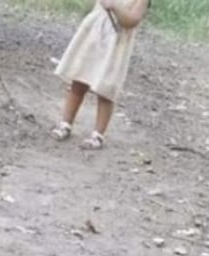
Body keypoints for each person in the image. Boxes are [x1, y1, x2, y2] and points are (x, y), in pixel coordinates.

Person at [52, 0, 151, 149]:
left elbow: (131, 21)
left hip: (115, 46)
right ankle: (65, 123)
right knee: (78, 80)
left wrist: (115, 6)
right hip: (93, 37)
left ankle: (97, 134)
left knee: (106, 90)